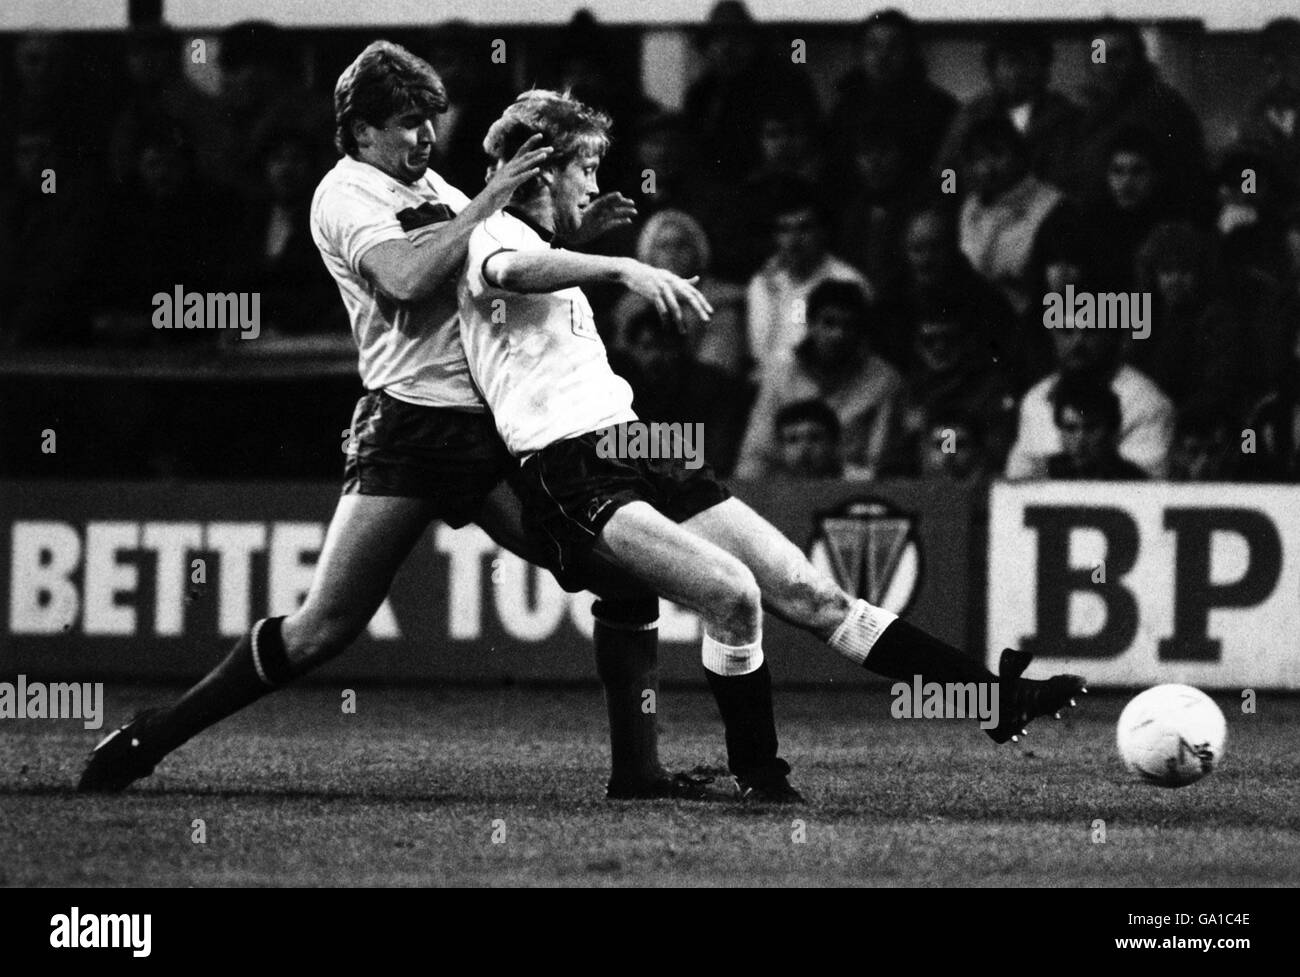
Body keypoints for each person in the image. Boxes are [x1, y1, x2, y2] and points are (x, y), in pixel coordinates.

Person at [79, 42, 701, 802]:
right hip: (409, 431)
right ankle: (152, 734)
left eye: (431, 122)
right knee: (322, 629)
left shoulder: (431, 181)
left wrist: (566, 240)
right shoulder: (343, 197)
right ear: (360, 129)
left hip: (487, 431)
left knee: (623, 577)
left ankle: (637, 774)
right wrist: (490, 200)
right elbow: (407, 281)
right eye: (408, 124)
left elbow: (484, 272)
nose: (425, 139)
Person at [458, 89, 1087, 799]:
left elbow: (532, 281)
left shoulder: (542, 243)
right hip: (570, 468)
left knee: (807, 590)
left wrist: (581, 242)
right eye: (587, 168)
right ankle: (760, 774)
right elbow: (509, 272)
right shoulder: (486, 233)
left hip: (638, 442)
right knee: (731, 593)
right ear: (542, 172)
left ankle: (992, 700)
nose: (597, 183)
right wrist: (622, 266)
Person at [734, 280, 902, 480]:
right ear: (811, 324)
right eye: (829, 323)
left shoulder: (883, 380)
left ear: (860, 331)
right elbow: (757, 453)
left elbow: (879, 463)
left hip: (853, 489)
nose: (838, 334)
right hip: (786, 489)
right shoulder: (780, 373)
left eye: (848, 325)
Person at [1005, 328, 1172, 480]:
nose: (1078, 342)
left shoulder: (1147, 402)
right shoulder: (1035, 399)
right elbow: (1016, 481)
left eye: (1090, 332)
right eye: (1067, 331)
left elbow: (1145, 491)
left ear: (1111, 336)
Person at [1045, 380, 1149, 480]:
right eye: (1070, 428)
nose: (1080, 439)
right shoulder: (1042, 476)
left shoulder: (1133, 481)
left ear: (1111, 430)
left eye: (1091, 428)